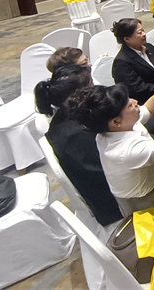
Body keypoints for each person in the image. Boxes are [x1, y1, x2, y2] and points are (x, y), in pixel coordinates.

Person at [67, 76, 154, 215]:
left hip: (149, 181)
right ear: (116, 121)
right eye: (129, 105)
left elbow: (147, 110)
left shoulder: (113, 128)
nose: (135, 102)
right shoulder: (128, 151)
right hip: (145, 201)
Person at [36, 64, 122, 227]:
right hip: (114, 203)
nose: (95, 88)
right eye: (91, 84)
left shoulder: (67, 115)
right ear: (78, 94)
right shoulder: (76, 135)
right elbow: (107, 173)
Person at [111, 18, 154, 107]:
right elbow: (137, 89)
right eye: (139, 33)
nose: (144, 34)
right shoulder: (121, 62)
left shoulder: (149, 47)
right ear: (127, 39)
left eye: (143, 30)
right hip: (147, 102)